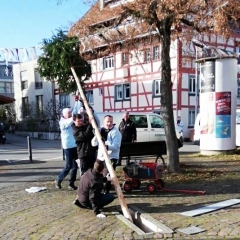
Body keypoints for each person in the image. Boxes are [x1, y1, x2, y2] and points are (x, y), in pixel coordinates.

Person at [55, 108, 78, 190]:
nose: (70, 114)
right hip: (68, 147)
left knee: (75, 166)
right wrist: (76, 113)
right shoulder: (63, 122)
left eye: (70, 112)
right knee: (69, 166)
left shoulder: (70, 121)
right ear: (64, 114)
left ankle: (71, 183)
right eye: (68, 113)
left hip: (74, 145)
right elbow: (70, 121)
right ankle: (59, 179)